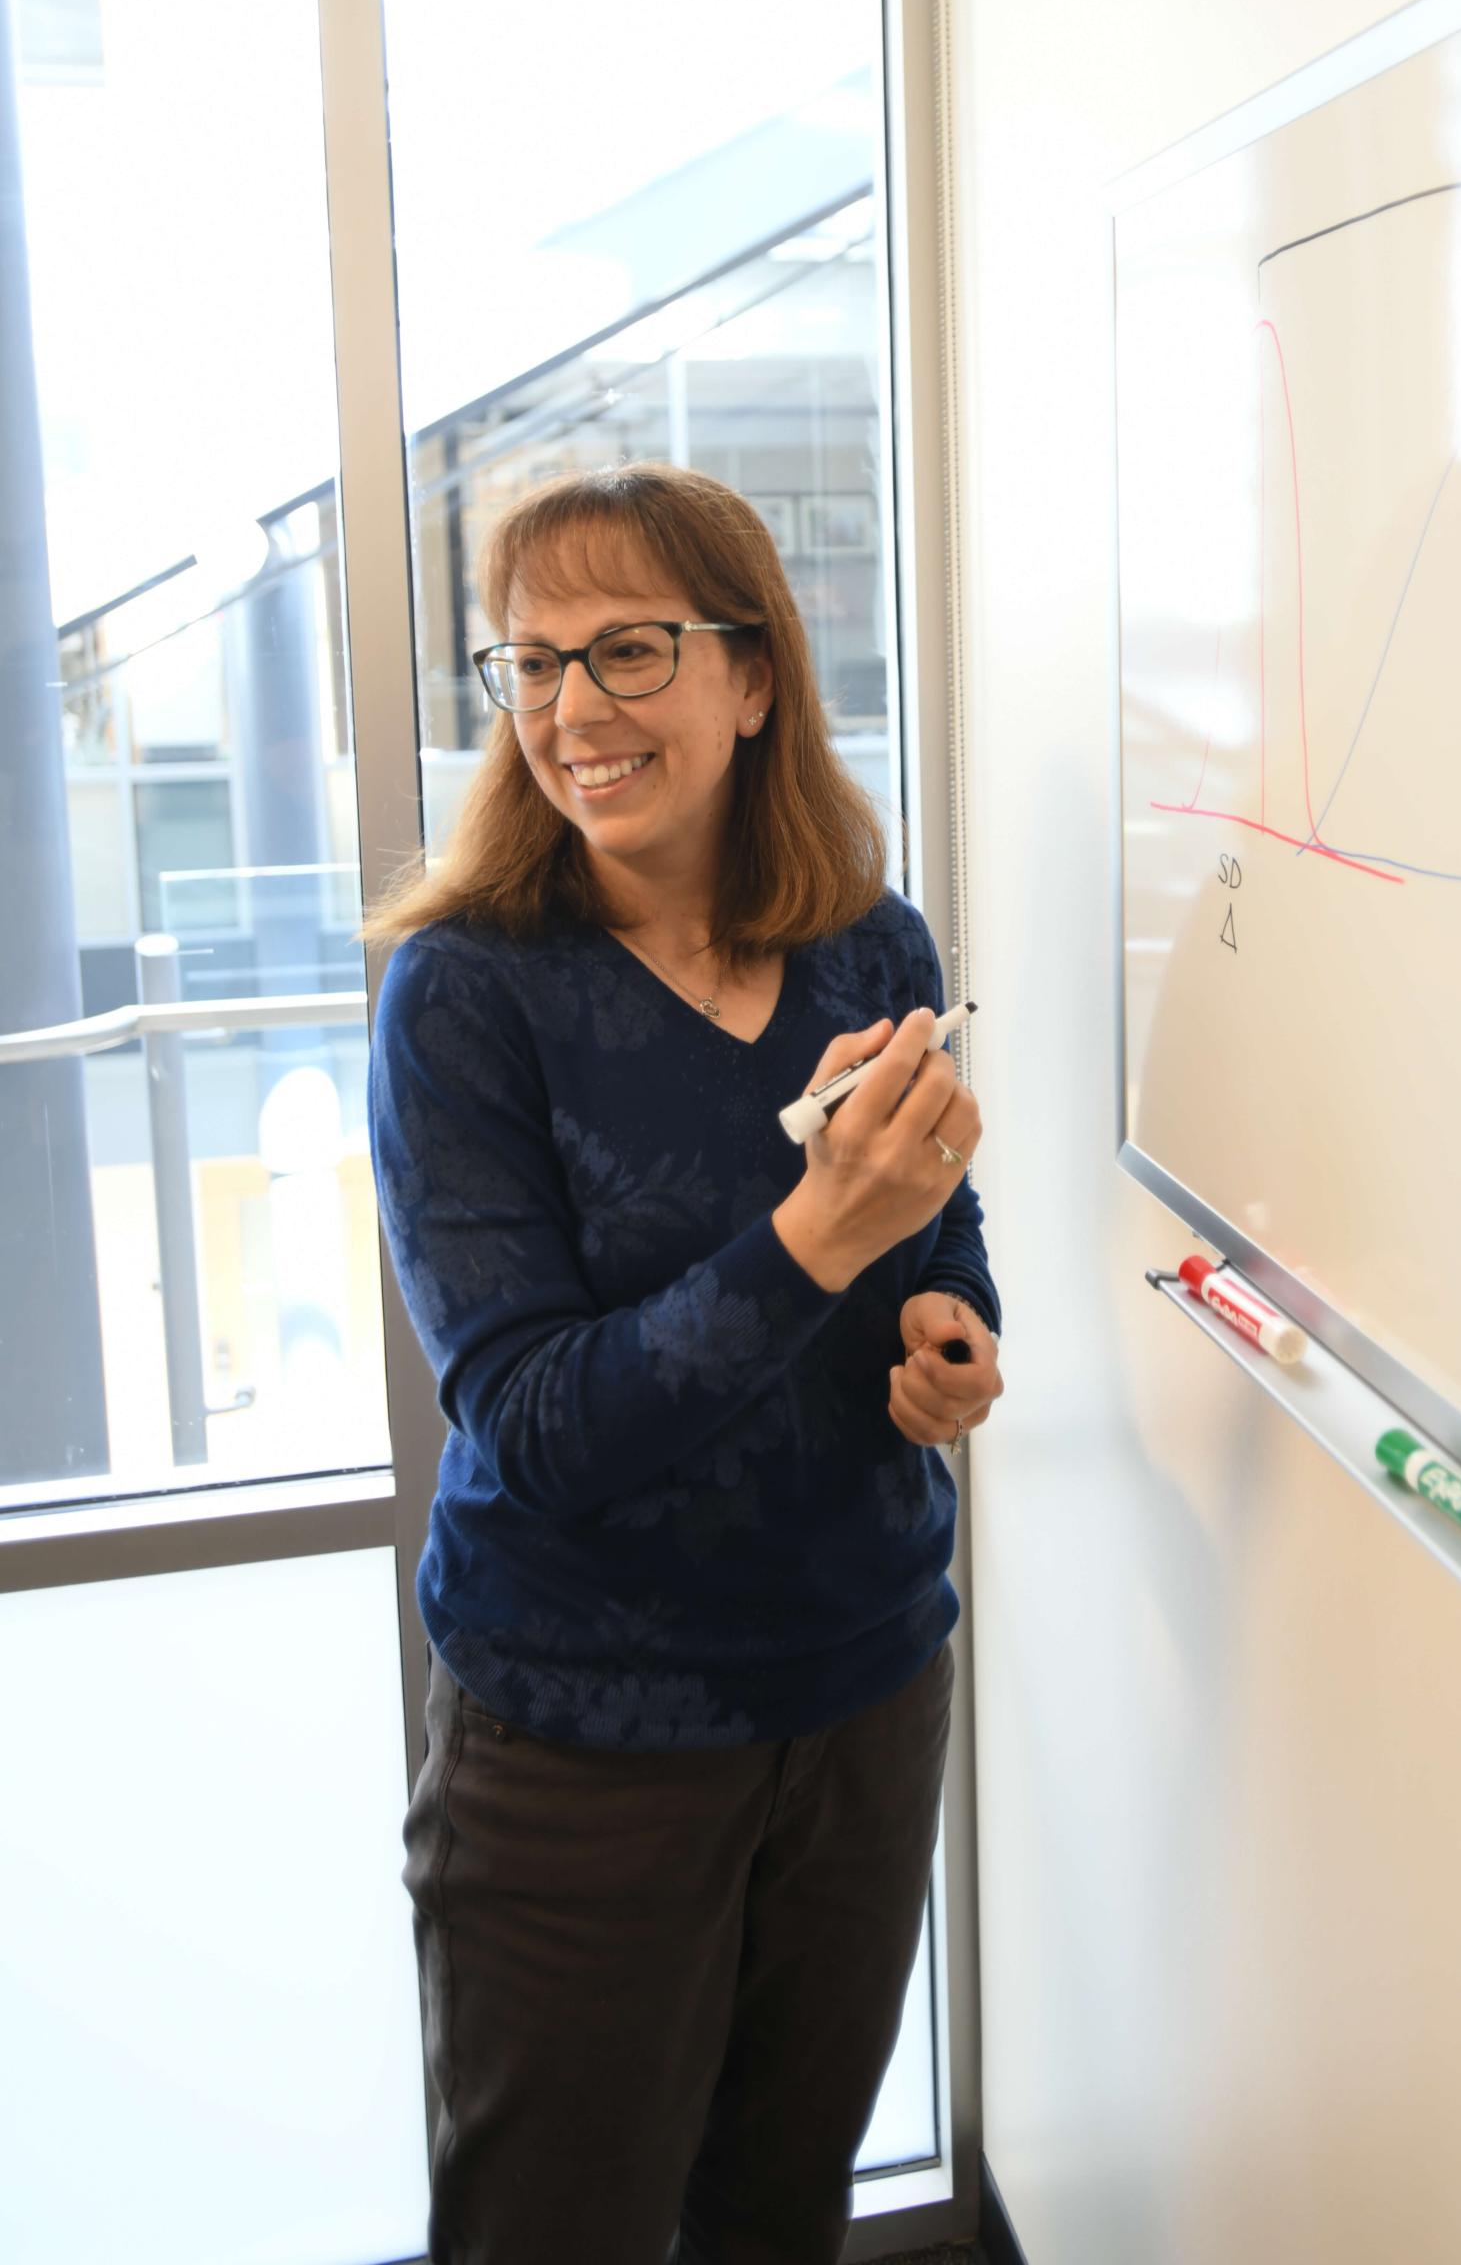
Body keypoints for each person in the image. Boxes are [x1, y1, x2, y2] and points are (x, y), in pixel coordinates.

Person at [365, 460, 1002, 2265]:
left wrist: (957, 1335)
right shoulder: (469, 992)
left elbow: (938, 1230)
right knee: (550, 2232)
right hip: (583, 1743)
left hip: (867, 1688)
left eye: (627, 651)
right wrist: (818, 1233)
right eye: (532, 662)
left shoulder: (869, 943)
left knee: (777, 2217)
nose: (573, 710)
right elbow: (535, 1427)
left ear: (752, 675)